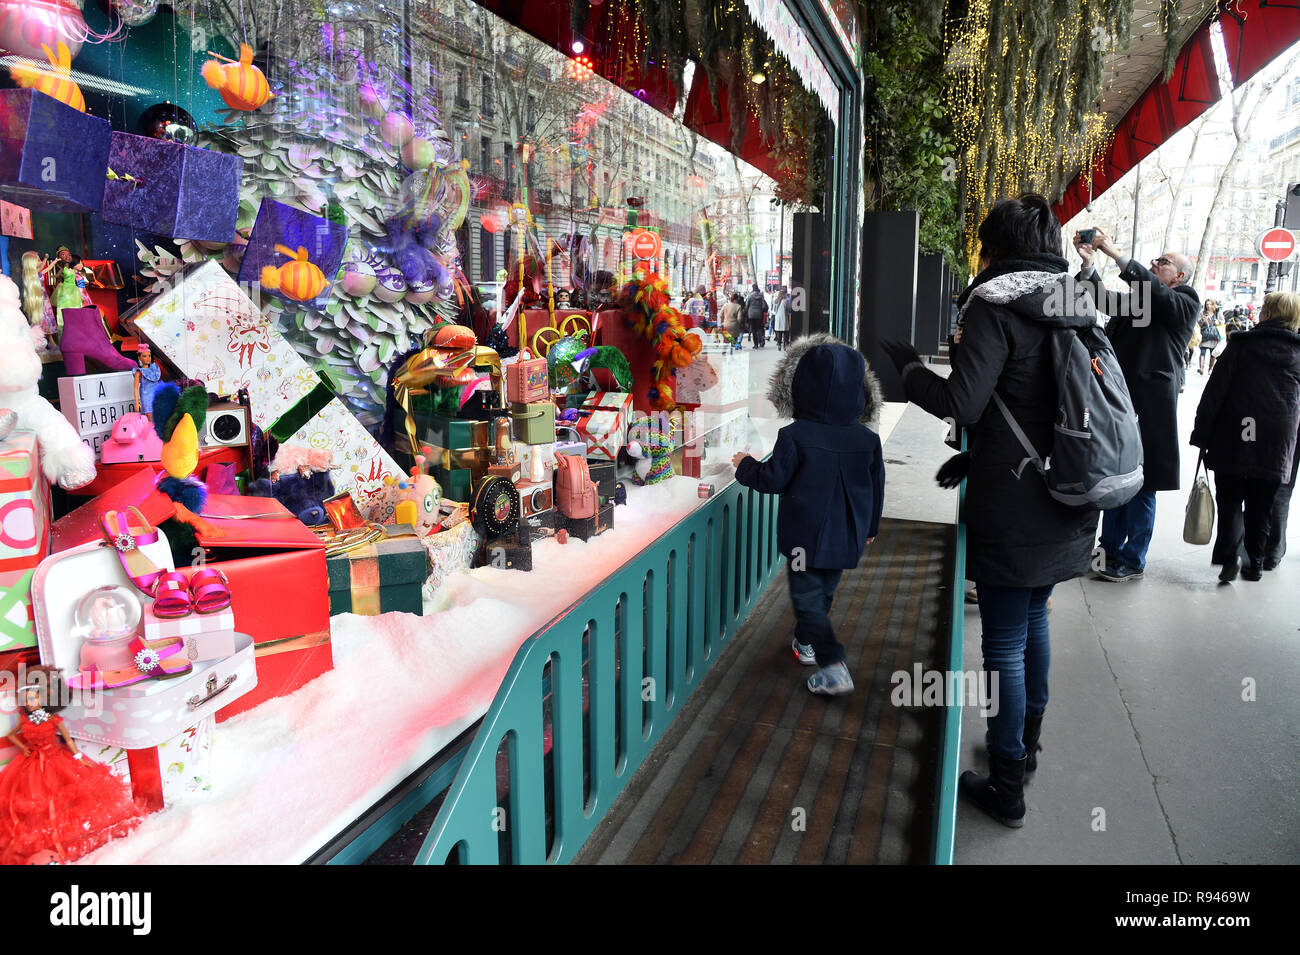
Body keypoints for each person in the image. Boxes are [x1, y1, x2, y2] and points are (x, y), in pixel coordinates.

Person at [881, 194, 1101, 828]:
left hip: (1015, 503)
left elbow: (966, 402)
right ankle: (1024, 746)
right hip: (1070, 493)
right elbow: (1041, 403)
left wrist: (913, 371)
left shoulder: (996, 306)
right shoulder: (1074, 303)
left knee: (1004, 637)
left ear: (995, 248)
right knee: (1034, 620)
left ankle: (1006, 783)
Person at [731, 340, 884, 696]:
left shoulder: (794, 436)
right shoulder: (866, 440)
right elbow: (877, 488)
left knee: (806, 599)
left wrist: (744, 466)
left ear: (801, 388)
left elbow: (772, 479)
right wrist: (871, 528)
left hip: (805, 539)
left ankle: (832, 665)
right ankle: (807, 642)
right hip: (847, 536)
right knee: (824, 591)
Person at [1075, 229, 1199, 582]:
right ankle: (1108, 551)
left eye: (1164, 262)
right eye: (1156, 260)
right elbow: (1103, 299)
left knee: (1144, 484)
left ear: (1179, 277)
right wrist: (1088, 265)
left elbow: (1160, 297)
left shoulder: (1185, 301)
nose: (1156, 264)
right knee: (1116, 476)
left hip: (1151, 409)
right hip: (1119, 402)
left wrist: (1115, 253)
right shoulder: (1145, 299)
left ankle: (1132, 558)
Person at [1190, 291, 1300, 581]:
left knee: (1230, 498)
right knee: (1262, 503)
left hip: (1235, 431)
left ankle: (1229, 558)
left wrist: (1202, 434)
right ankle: (1254, 563)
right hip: (1277, 438)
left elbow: (1215, 392)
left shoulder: (1241, 345)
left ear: (1266, 313)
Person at [1197, 300, 1221, 374]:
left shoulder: (1217, 313)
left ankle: (1210, 369)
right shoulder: (1202, 313)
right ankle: (1201, 368)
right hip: (1205, 334)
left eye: (1210, 304)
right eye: (1207, 304)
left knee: (1212, 353)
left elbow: (1223, 321)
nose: (1208, 306)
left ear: (1213, 305)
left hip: (1214, 335)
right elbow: (1198, 323)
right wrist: (1203, 320)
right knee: (1202, 351)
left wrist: (1218, 322)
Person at [745, 283, 768, 348]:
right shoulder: (761, 296)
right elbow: (764, 306)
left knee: (754, 330)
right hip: (759, 314)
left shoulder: (750, 296)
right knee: (759, 328)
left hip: (751, 315)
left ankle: (755, 344)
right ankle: (761, 341)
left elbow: (746, 306)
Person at [772, 286, 791, 350]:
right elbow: (788, 309)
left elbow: (773, 309)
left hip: (777, 318)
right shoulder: (785, 301)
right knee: (785, 332)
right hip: (784, 318)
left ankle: (779, 345)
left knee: (779, 332)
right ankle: (785, 344)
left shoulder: (775, 301)